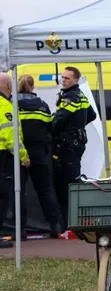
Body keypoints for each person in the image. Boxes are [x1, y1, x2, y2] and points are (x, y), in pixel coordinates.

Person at [16, 74, 64, 239]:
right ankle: (55, 225)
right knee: (46, 189)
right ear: (33, 87)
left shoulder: (13, 105)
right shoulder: (42, 106)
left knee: (18, 191)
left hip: (18, 153)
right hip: (40, 153)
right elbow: (50, 129)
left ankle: (20, 230)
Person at [51, 66, 97, 230]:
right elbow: (92, 114)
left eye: (67, 78)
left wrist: (69, 128)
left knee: (67, 185)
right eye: (62, 77)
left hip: (68, 146)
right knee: (73, 181)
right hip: (77, 143)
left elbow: (57, 122)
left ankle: (71, 224)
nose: (64, 80)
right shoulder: (80, 96)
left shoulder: (71, 98)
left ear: (76, 80)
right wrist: (77, 126)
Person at [0, 72, 30, 248]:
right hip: (3, 155)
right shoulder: (5, 105)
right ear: (8, 87)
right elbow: (10, 136)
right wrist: (23, 157)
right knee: (3, 196)